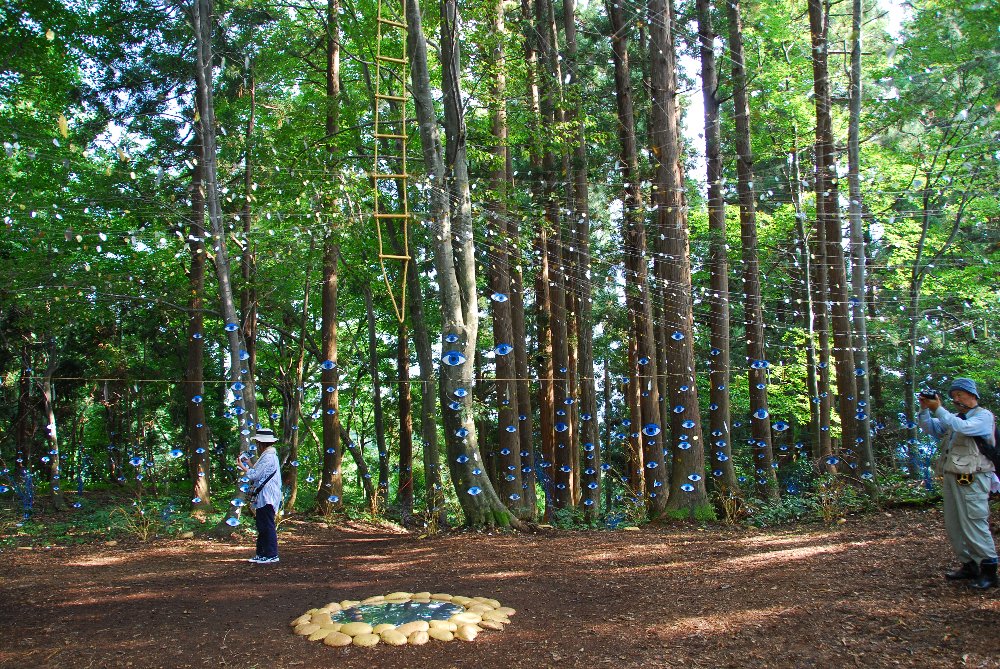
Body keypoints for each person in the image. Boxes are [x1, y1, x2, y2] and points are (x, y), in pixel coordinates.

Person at [918, 378, 997, 590]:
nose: (956, 399)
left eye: (960, 394)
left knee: (974, 521)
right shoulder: (953, 418)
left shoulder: (983, 417)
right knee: (954, 524)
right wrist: (925, 409)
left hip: (975, 477)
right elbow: (930, 427)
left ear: (973, 395)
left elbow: (963, 427)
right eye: (953, 395)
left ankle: (988, 567)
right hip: (952, 476)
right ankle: (969, 564)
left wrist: (939, 409)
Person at [237, 428, 282, 564]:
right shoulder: (267, 456)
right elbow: (258, 470)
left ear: (261, 444)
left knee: (267, 525)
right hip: (265, 496)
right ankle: (262, 553)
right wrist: (248, 463)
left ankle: (271, 554)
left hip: (268, 496)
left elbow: (255, 475)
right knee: (262, 524)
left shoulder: (269, 457)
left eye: (258, 443)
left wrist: (242, 466)